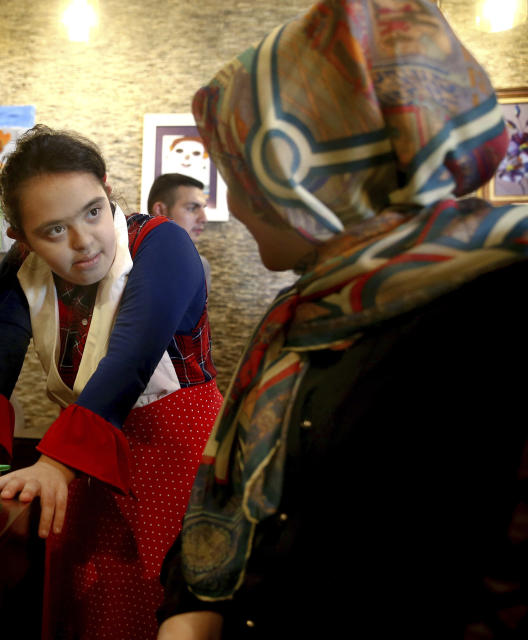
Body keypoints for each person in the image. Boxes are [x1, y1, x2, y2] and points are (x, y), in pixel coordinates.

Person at [157, 1, 528, 638]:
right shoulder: (303, 312)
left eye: (243, 169)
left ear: (302, 169)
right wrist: (192, 612)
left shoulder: (499, 306)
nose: (235, 201)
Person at [0, 125, 224, 639]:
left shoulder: (163, 244)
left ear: (108, 190)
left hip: (179, 459)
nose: (84, 242)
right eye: (53, 231)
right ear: (22, 237)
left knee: (168, 609)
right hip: (84, 457)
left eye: (92, 211)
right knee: (92, 611)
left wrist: (56, 463)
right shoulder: (21, 270)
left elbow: (130, 356)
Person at [147, 173, 211, 295]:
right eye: (192, 208)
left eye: (203, 208)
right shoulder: (124, 262)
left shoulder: (200, 266)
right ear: (160, 211)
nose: (204, 219)